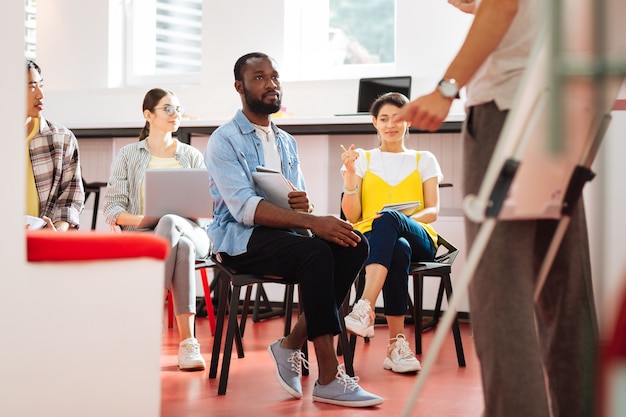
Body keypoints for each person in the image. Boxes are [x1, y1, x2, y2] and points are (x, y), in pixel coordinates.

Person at [395, 1, 598, 416]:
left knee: (500, 293)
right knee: (564, 291)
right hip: (562, 104)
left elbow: (504, 5)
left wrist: (446, 88)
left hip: (507, 109)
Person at [204, 52, 383, 408]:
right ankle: (329, 377)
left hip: (286, 236)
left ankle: (290, 344)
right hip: (238, 240)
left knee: (354, 244)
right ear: (240, 87)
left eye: (274, 76)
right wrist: (313, 222)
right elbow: (244, 209)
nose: (271, 84)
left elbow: (298, 204)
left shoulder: (286, 141)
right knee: (315, 252)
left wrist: (308, 210)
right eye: (259, 78)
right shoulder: (224, 140)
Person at [103, 88, 211, 372]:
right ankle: (188, 343)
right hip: (148, 235)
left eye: (178, 108)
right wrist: (147, 218)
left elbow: (207, 211)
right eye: (168, 109)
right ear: (148, 115)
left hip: (195, 232)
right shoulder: (128, 155)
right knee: (177, 240)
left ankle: (150, 312)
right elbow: (112, 210)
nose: (176, 114)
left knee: (173, 222)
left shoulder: (192, 155)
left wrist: (167, 219)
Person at [341, 92, 443, 374]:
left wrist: (400, 219)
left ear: (408, 121)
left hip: (420, 235)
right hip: (374, 241)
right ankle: (396, 345)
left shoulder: (424, 159)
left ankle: (365, 306)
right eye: (384, 119)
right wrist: (350, 178)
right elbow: (352, 215)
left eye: (398, 118)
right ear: (374, 122)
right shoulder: (362, 159)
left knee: (390, 221)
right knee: (397, 248)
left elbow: (433, 210)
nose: (391, 124)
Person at [25, 60, 84, 231]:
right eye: (31, 87)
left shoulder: (62, 139)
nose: (40, 95)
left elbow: (69, 200)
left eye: (41, 85)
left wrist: (57, 232)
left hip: (43, 241)